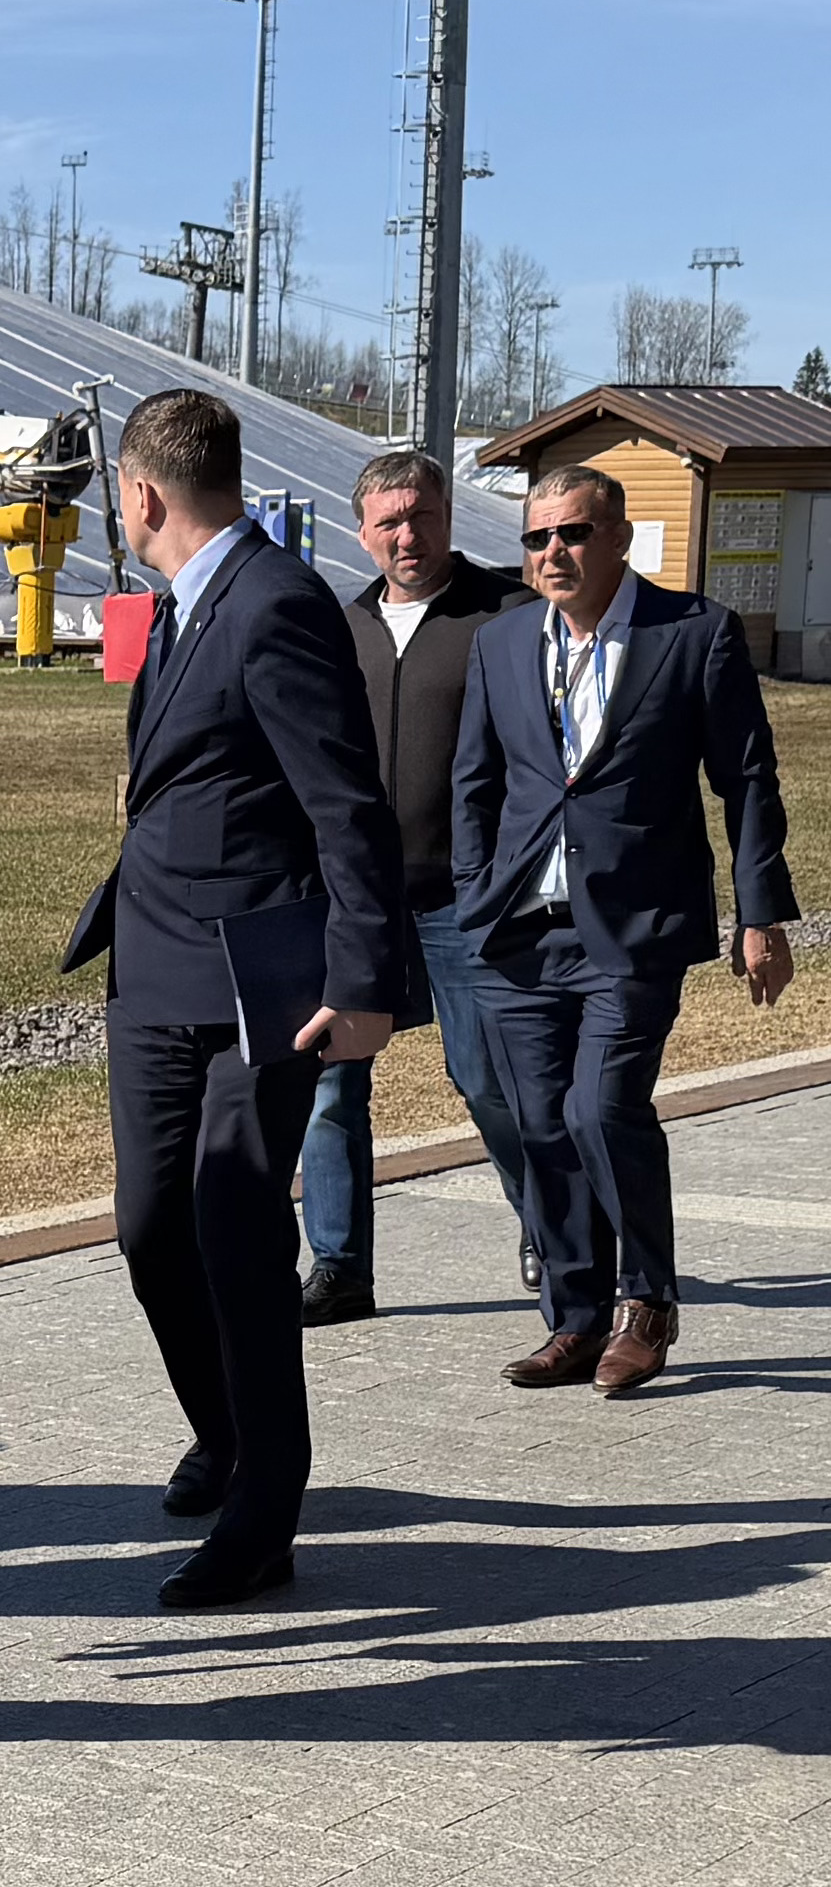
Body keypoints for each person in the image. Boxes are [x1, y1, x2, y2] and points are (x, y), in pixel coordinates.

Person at [63, 388, 405, 1608]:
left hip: (258, 985)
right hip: (156, 972)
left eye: (116, 492)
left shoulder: (274, 603)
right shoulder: (176, 607)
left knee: (235, 1228)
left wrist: (363, 978)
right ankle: (226, 1427)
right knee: (150, 1224)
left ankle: (267, 1510)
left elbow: (347, 805)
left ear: (141, 492)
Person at [453, 465, 796, 1396]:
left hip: (633, 926)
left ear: (618, 538)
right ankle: (573, 1319)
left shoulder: (692, 633)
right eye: (535, 537)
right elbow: (475, 780)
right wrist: (474, 889)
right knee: (539, 1123)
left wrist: (758, 912)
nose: (550, 552)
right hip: (519, 930)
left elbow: (746, 780)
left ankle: (645, 1302)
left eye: (570, 533)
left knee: (599, 1108)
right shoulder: (500, 641)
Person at [298, 450, 536, 1326]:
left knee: (486, 1078)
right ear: (360, 531)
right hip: (355, 902)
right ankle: (338, 1267)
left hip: (465, 901)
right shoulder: (338, 628)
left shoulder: (506, 616)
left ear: (446, 517)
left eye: (420, 515)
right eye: (388, 521)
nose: (407, 535)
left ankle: (552, 1230)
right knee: (330, 1085)